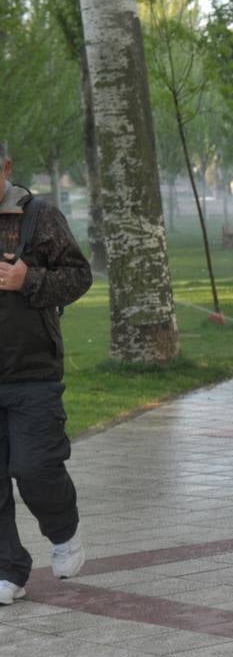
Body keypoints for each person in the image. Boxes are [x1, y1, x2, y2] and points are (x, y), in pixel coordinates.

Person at [0, 140, 94, 606]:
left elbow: (79, 276)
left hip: (31, 371)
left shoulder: (37, 216)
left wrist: (28, 281)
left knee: (34, 467)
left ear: (7, 167)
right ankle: (8, 569)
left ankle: (63, 531)